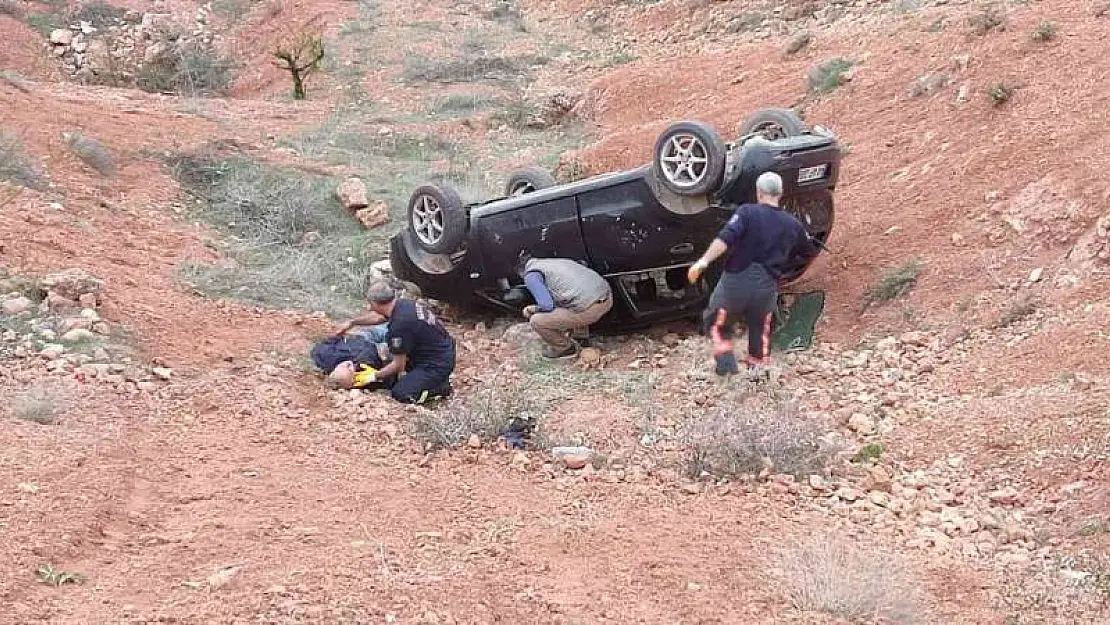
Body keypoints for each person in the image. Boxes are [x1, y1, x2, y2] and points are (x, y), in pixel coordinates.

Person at [686, 171, 819, 379]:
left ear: (758, 192)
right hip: (767, 287)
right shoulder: (792, 224)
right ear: (781, 193)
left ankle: (727, 368)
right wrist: (783, 270)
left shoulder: (747, 213)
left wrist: (704, 261)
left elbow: (725, 239)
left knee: (716, 322)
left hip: (735, 283)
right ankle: (758, 374)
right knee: (760, 329)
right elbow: (808, 252)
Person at [330, 281, 456, 404]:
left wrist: (374, 376)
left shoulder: (399, 326)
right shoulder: (402, 305)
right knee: (390, 359)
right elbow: (380, 317)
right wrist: (352, 322)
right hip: (437, 348)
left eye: (370, 304)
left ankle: (440, 389)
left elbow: (398, 366)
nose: (369, 307)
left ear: (376, 303)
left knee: (400, 393)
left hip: (437, 364)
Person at [516, 253, 613, 359]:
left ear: (520, 272)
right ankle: (581, 337)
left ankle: (565, 348)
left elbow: (547, 306)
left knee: (536, 321)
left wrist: (534, 309)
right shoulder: (554, 262)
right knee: (572, 298)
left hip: (590, 309)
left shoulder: (531, 275)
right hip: (607, 297)